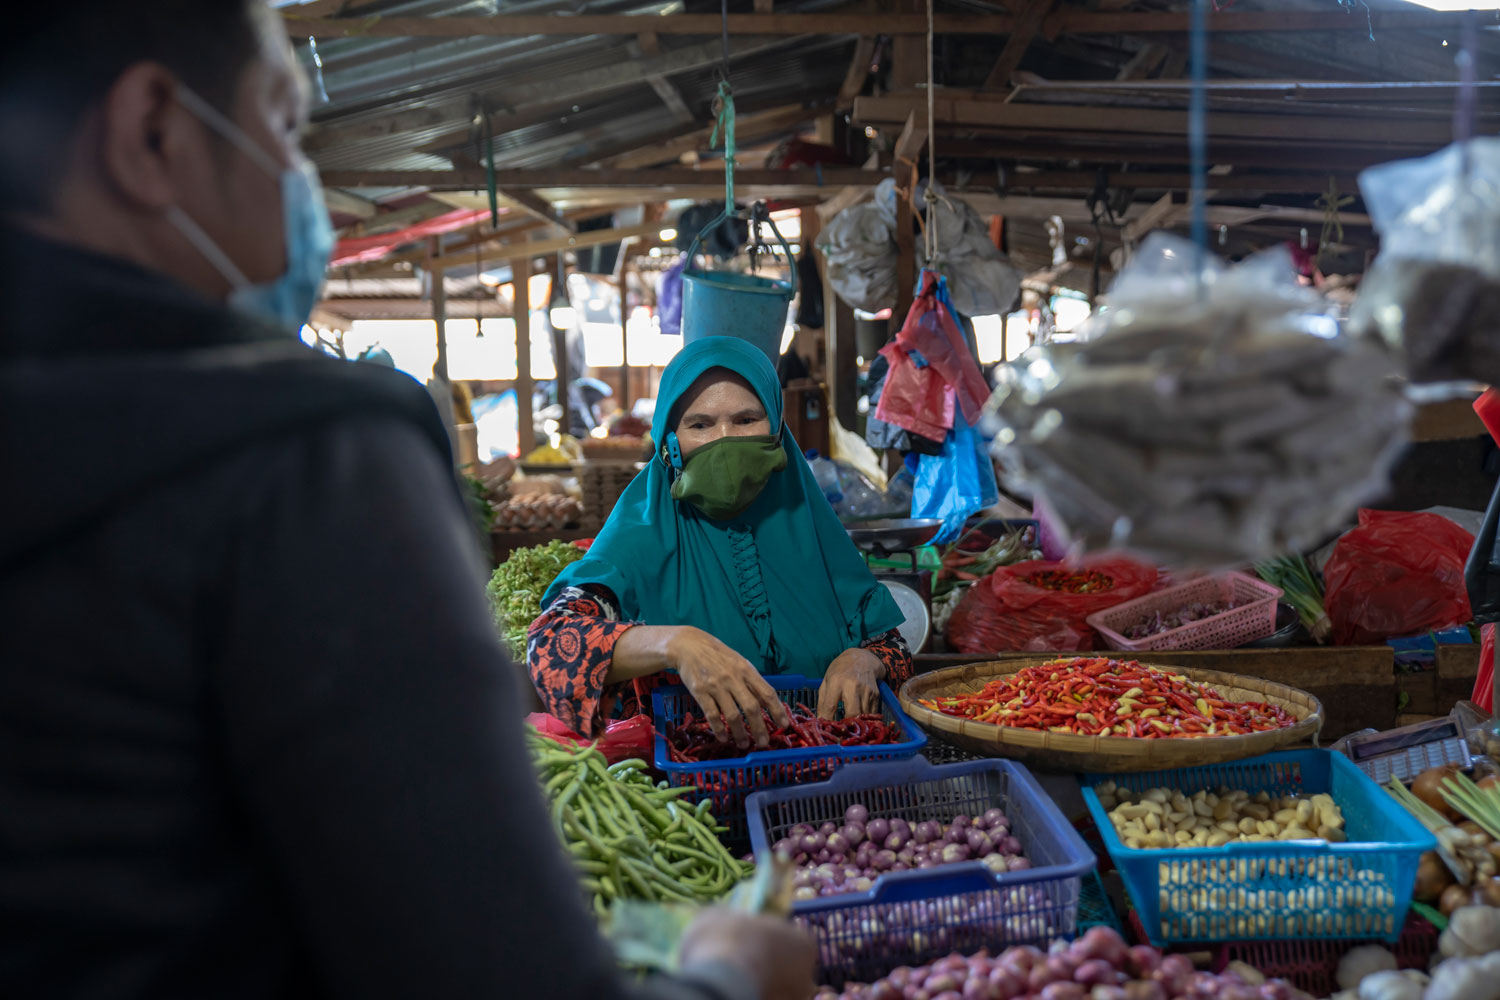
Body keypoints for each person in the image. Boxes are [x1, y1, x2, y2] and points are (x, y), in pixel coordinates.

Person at [0, 3, 813, 999]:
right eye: (285, 123)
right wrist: (726, 975)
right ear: (153, 132)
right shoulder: (303, 456)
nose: (300, 179)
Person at [529, 337, 913, 749]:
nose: (725, 439)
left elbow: (891, 645)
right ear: (669, 441)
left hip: (830, 783)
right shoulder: (640, 535)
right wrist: (674, 643)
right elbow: (551, 645)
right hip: (692, 791)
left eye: (747, 420)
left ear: (777, 429)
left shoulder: (809, 522)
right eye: (700, 424)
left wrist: (864, 660)